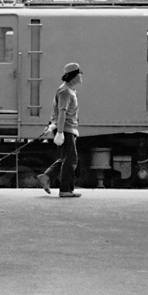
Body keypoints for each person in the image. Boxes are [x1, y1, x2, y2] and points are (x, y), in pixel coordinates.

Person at [38, 62, 83, 198]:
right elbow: (62, 112)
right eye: (79, 74)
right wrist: (60, 132)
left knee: (66, 158)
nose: (81, 76)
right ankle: (65, 190)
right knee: (71, 160)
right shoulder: (65, 91)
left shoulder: (69, 90)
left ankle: (46, 176)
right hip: (65, 128)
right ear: (73, 76)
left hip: (68, 128)